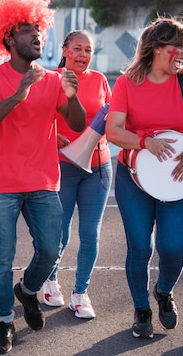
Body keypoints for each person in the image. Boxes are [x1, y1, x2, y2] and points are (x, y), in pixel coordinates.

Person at [0, 0, 86, 353]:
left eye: (39, 29)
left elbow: (78, 124)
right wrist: (18, 95)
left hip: (43, 182)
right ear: (7, 37)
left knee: (51, 250)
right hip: (2, 184)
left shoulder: (52, 79)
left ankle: (29, 290)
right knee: (1, 257)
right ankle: (4, 322)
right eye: (26, 30)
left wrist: (73, 95)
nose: (37, 35)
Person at [105, 16, 183, 339]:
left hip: (178, 176)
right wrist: (144, 142)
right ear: (156, 49)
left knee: (174, 247)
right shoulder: (128, 83)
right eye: (178, 48)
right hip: (133, 177)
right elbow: (113, 131)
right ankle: (141, 308)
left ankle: (163, 292)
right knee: (139, 247)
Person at [41, 30, 112, 319]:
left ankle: (81, 292)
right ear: (65, 50)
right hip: (62, 166)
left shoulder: (100, 80)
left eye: (88, 50)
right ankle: (50, 279)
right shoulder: (49, 79)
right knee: (60, 232)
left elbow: (115, 114)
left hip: (98, 168)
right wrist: (52, 135)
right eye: (77, 49)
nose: (83, 55)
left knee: (90, 233)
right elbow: (36, 117)